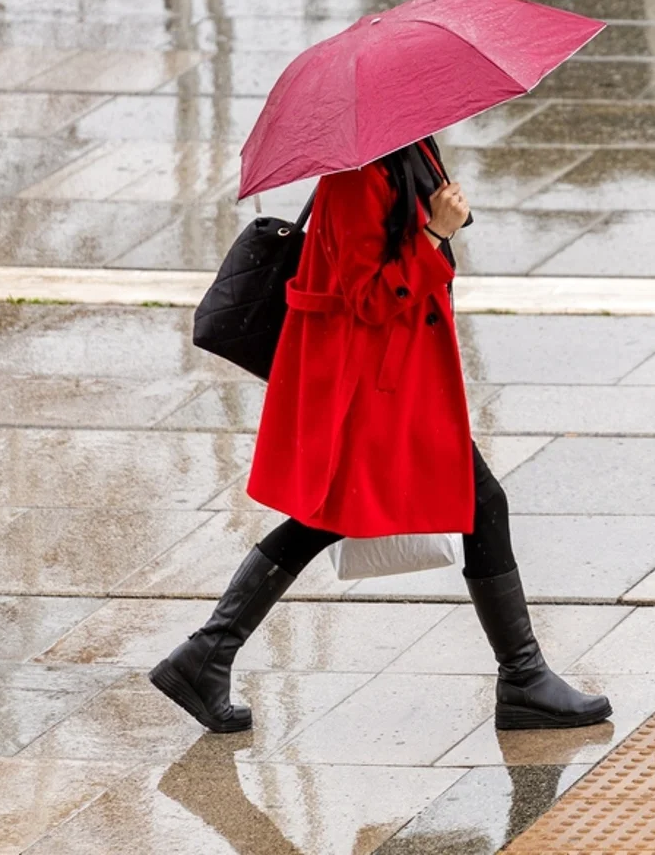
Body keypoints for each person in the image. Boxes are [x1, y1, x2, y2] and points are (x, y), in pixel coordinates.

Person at [150, 135, 610, 734]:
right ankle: (523, 678)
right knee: (478, 504)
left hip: (398, 377)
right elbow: (369, 298)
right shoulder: (358, 174)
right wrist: (436, 234)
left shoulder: (410, 147)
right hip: (372, 385)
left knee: (333, 515)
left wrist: (447, 220)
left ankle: (205, 655)